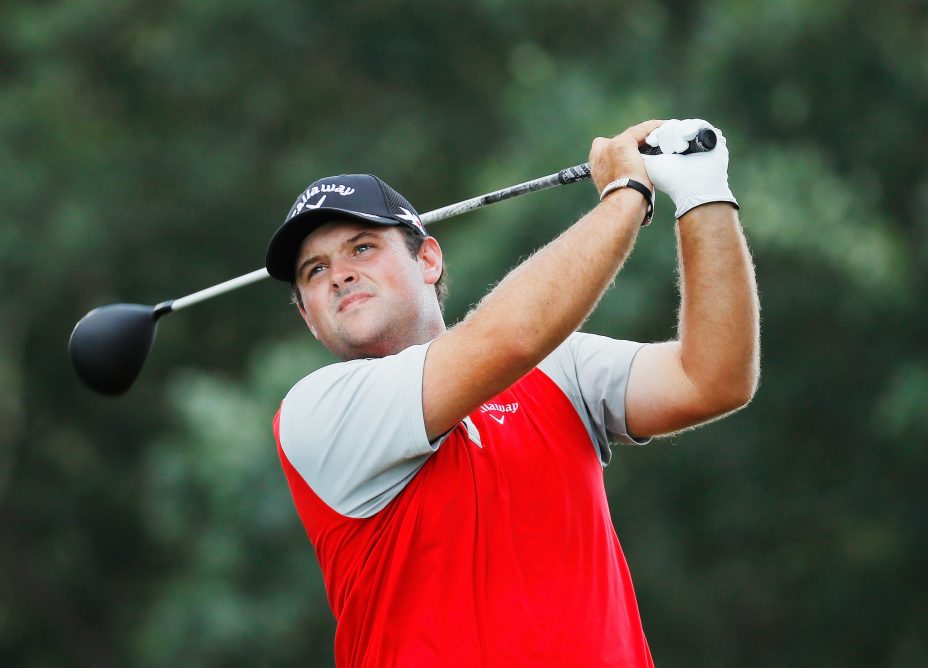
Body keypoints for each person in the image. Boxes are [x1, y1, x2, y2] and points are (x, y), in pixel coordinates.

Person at [264, 118, 760, 667]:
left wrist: (702, 195)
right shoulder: (317, 412)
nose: (339, 275)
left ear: (427, 259)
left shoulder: (560, 365)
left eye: (361, 247)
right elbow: (508, 340)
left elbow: (713, 379)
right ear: (308, 317)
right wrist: (625, 195)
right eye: (315, 270)